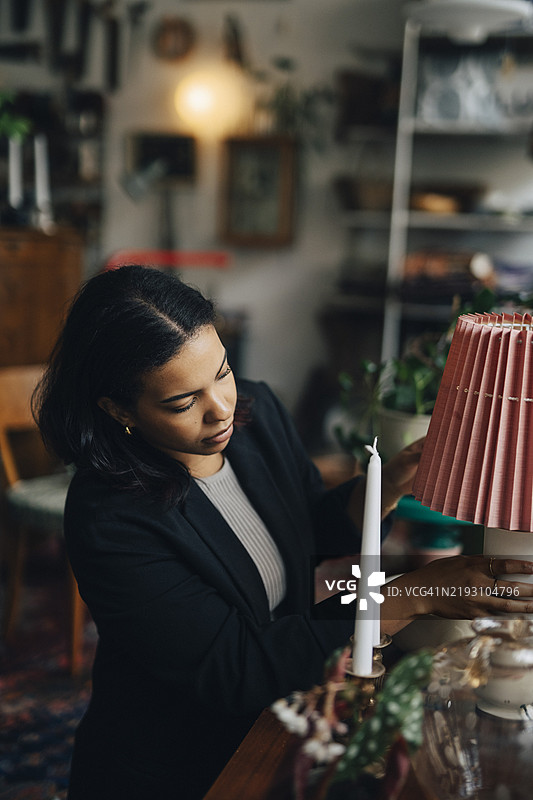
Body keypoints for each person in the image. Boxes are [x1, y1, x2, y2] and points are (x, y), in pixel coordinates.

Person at [33, 265, 533, 800]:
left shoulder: (255, 413)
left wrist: (389, 483)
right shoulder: (109, 518)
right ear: (118, 410)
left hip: (285, 713)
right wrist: (418, 594)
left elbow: (309, 522)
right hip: (180, 760)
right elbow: (236, 664)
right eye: (183, 403)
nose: (221, 410)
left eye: (222, 372)